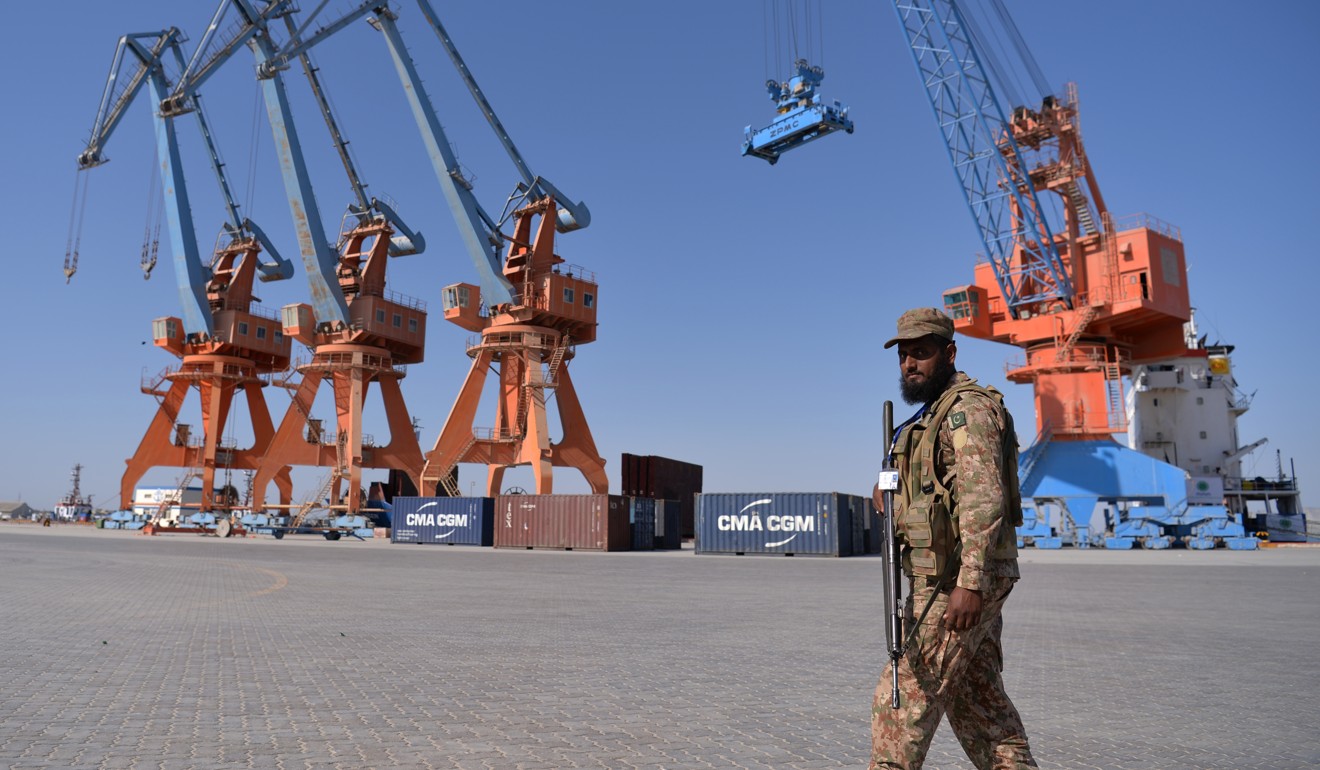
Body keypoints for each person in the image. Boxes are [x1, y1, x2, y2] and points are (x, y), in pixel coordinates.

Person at [870, 307, 1036, 770]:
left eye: (921, 353)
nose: (910, 364)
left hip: (956, 582)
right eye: (904, 355)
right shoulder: (930, 417)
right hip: (949, 577)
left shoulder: (968, 410)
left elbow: (984, 499)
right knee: (981, 710)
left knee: (901, 705)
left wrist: (972, 582)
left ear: (949, 353)